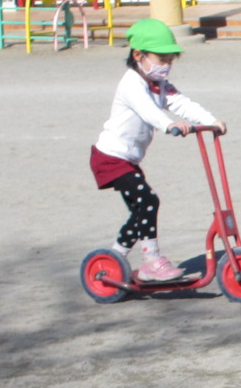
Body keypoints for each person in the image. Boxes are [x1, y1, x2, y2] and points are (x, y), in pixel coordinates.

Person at [89, 18, 226, 282]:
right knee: (149, 201)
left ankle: (112, 260)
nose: (166, 66)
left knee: (140, 210)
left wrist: (210, 121)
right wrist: (169, 125)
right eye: (162, 59)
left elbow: (182, 103)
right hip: (110, 158)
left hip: (127, 160)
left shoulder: (159, 84)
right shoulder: (131, 84)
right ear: (138, 55)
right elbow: (149, 111)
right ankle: (151, 261)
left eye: (170, 61)